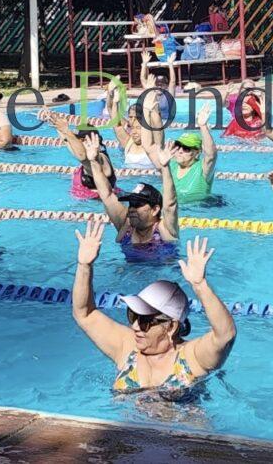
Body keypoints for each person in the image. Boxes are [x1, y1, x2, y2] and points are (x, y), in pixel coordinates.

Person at [73, 222, 236, 399]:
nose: (135, 326)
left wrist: (200, 285)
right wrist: (84, 266)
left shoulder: (192, 358)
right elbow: (85, 314)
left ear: (171, 327)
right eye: (133, 315)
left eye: (144, 320)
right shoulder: (127, 347)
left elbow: (225, 335)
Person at [83, 130, 179, 262]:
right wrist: (93, 161)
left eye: (138, 204)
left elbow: (170, 204)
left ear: (155, 209)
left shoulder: (165, 229)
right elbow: (107, 195)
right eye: (131, 203)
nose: (132, 208)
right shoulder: (126, 225)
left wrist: (165, 168)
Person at [48, 112, 117, 200]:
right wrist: (57, 125)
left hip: (104, 206)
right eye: (76, 140)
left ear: (92, 141)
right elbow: (67, 141)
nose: (76, 143)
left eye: (79, 140)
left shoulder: (100, 158)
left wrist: (66, 130)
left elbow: (82, 155)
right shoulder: (83, 154)